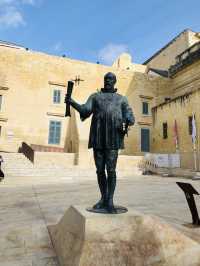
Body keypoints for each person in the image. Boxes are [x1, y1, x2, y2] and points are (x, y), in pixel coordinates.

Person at [66, 72, 135, 213]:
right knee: (99, 170)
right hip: (98, 137)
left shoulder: (122, 99)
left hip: (113, 138)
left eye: (110, 79)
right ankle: (103, 198)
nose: (108, 81)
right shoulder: (95, 97)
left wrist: (128, 119)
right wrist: (72, 102)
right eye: (106, 79)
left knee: (111, 170)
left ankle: (110, 200)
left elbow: (130, 115)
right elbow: (85, 110)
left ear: (115, 82)